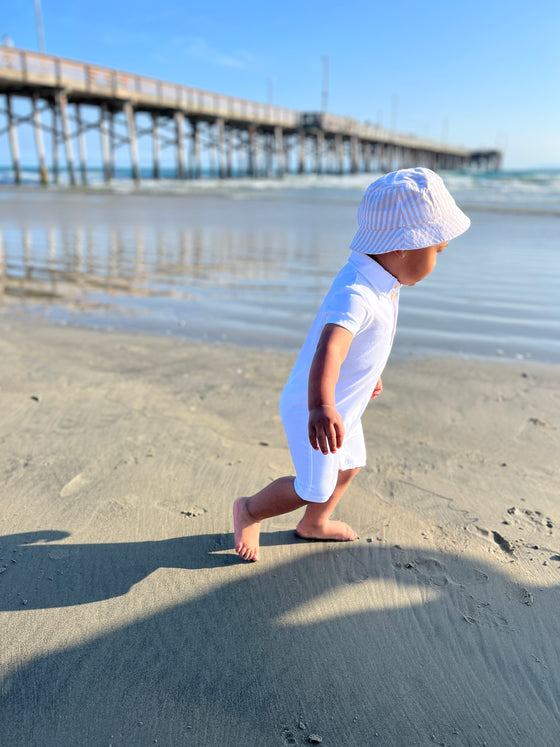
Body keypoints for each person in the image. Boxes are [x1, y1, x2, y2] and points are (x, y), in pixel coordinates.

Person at [234, 168, 470, 561]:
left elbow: (367, 341)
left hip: (345, 401)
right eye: (437, 251)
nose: (437, 260)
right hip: (315, 404)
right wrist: (321, 406)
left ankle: (314, 523)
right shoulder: (357, 292)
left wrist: (369, 374)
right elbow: (332, 348)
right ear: (402, 247)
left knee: (351, 464)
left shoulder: (383, 274)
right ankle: (250, 509)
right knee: (314, 485)